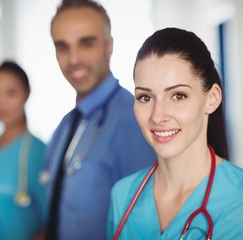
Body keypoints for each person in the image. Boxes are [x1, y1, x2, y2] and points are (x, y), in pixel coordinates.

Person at [108, 27, 243, 239]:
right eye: (145, 97)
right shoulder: (123, 196)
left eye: (178, 96)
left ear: (212, 98)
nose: (158, 116)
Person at [42, 0, 156, 239]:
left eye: (86, 43)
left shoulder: (135, 121)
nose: (73, 59)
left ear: (109, 46)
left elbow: (145, 226)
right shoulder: (65, 126)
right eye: (62, 46)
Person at [0, 61, 47, 240]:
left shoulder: (38, 153)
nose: (1, 102)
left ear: (26, 94)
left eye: (11, 93)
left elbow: (53, 223)